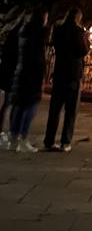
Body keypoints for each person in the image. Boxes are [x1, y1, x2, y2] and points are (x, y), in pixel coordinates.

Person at [44, 9, 90, 152]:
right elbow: (83, 50)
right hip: (73, 73)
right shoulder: (79, 32)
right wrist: (87, 39)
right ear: (78, 18)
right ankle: (66, 141)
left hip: (59, 72)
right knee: (70, 110)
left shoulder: (58, 30)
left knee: (55, 109)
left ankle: (49, 140)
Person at [8, 10, 48, 153]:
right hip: (32, 76)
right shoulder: (37, 36)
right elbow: (38, 59)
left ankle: (14, 137)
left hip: (22, 73)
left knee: (19, 105)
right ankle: (22, 137)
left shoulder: (23, 33)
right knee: (31, 106)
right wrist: (41, 76)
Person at [0, 16, 24, 148]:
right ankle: (12, 132)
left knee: (8, 104)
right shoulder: (18, 38)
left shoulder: (12, 36)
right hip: (13, 74)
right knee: (11, 103)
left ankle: (9, 131)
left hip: (8, 73)